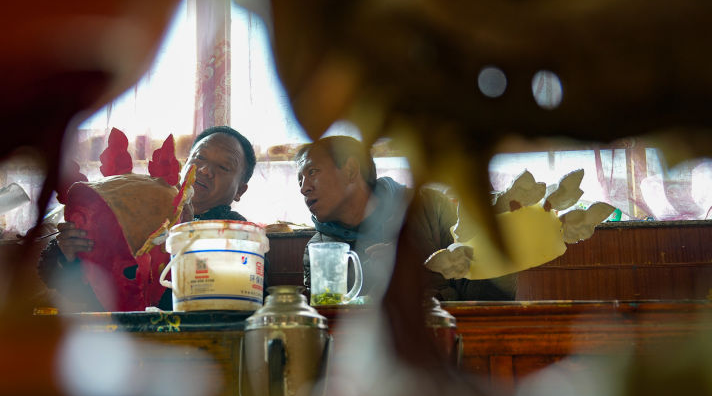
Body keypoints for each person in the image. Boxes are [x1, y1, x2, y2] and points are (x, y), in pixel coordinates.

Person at [38, 125, 257, 310]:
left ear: (240, 190)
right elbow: (96, 288)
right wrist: (69, 255)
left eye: (224, 166)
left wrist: (187, 232)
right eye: (199, 157)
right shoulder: (143, 207)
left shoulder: (240, 232)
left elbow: (247, 297)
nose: (205, 170)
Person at [296, 135, 516, 302]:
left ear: (351, 170)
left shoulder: (429, 207)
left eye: (312, 172)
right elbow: (329, 322)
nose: (304, 188)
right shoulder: (319, 249)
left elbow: (486, 297)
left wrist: (419, 271)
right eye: (299, 180)